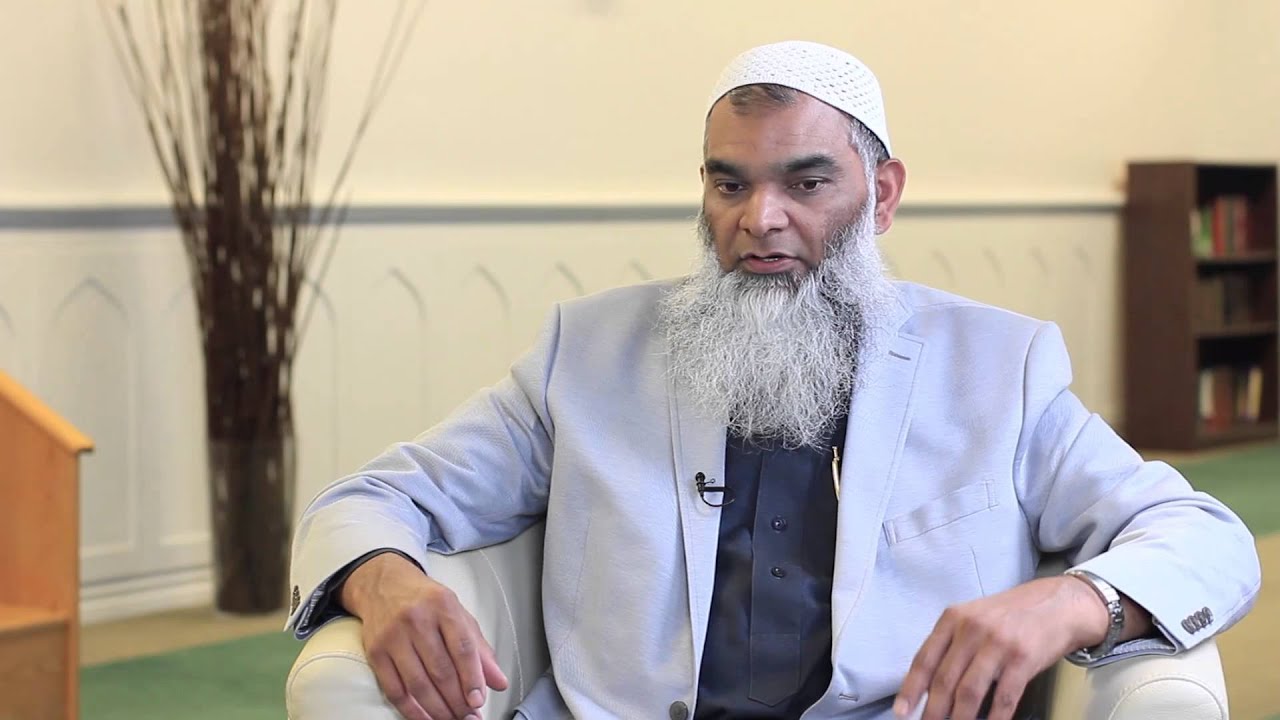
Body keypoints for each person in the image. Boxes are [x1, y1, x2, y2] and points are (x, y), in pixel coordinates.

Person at [286, 40, 1261, 720]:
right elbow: (367, 499)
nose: (758, 218)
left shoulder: (998, 369)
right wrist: (384, 577)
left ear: (881, 196)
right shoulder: (585, 354)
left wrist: (1072, 601)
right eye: (729, 183)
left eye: (805, 182)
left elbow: (1205, 534)